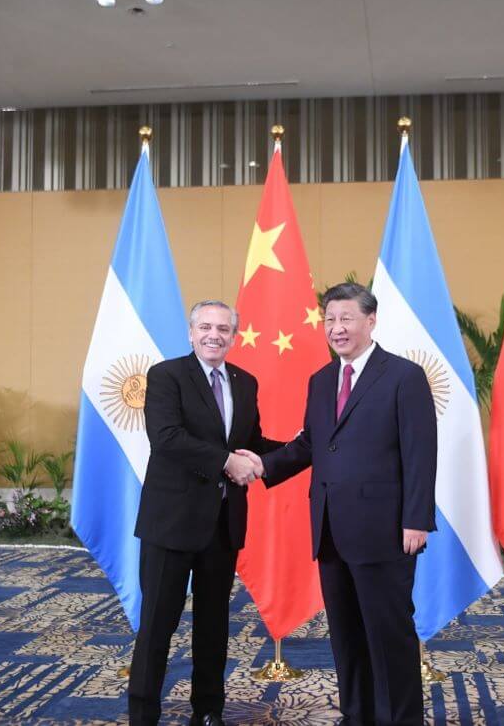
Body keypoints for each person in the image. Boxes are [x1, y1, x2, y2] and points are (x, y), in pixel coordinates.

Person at [237, 282, 437, 726]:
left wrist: (416, 519)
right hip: (329, 528)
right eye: (329, 319)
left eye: (346, 318)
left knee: (389, 634)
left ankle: (401, 719)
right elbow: (313, 442)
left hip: (386, 530)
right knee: (346, 635)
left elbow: (420, 452)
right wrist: (263, 465)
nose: (337, 328)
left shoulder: (403, 376)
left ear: (371, 320)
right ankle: (357, 715)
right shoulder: (323, 380)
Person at [128, 300, 279, 726]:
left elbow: (251, 442)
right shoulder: (166, 375)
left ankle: (208, 712)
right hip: (170, 524)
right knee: (157, 627)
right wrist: (224, 462)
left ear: (234, 335)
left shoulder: (245, 382)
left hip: (222, 525)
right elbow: (167, 437)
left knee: (213, 629)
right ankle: (143, 716)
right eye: (206, 327)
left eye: (224, 329)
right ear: (191, 333)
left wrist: (304, 448)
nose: (215, 335)